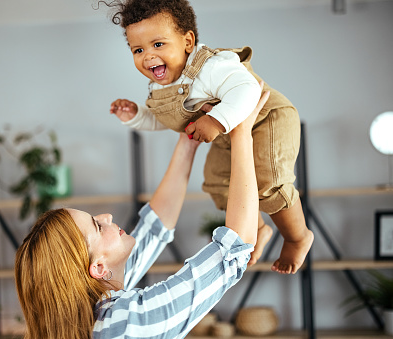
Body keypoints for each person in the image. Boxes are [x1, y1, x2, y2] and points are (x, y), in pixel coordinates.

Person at [14, 89, 269, 338]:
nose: (107, 217)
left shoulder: (93, 308)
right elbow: (233, 250)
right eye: (98, 226)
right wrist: (241, 131)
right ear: (99, 267)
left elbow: (155, 227)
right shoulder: (128, 323)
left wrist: (188, 138)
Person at [105, 0, 313, 274]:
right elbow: (167, 120)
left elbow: (248, 89)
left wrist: (215, 120)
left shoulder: (211, 66)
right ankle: (259, 228)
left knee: (268, 182)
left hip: (267, 120)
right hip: (227, 134)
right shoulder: (163, 86)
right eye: (138, 49)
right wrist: (135, 115)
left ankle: (297, 237)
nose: (148, 56)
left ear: (188, 41)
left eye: (158, 45)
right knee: (217, 183)